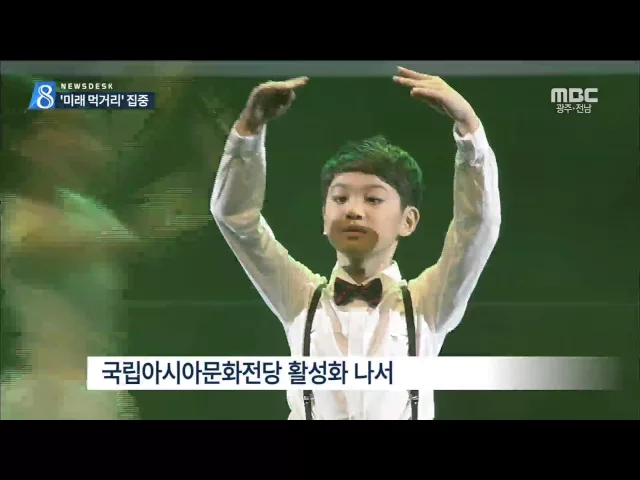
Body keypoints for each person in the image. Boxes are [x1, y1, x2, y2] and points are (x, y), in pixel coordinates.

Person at [210, 66, 501, 420]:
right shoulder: (300, 298)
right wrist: (248, 131)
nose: (353, 210)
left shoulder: (427, 304)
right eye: (340, 198)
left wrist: (469, 129)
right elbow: (236, 219)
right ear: (323, 216)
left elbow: (477, 227)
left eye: (373, 199)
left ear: (408, 221)